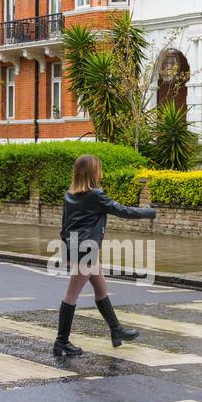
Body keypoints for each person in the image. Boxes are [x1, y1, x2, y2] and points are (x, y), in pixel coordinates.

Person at [53, 153, 156, 357]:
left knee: (101, 288)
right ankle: (61, 342)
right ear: (93, 173)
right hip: (87, 248)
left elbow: (64, 227)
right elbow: (123, 211)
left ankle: (116, 330)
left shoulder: (69, 195)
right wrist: (150, 213)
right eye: (99, 169)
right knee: (71, 294)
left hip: (77, 245)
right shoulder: (95, 195)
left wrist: (68, 250)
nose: (101, 172)